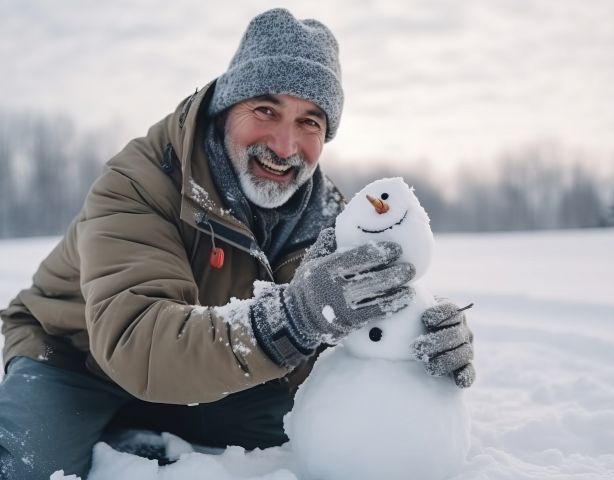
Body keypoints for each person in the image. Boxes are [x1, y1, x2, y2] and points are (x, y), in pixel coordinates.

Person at [0, 8, 475, 479]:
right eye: (266, 110)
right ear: (226, 106)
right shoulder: (139, 181)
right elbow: (133, 339)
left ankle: (145, 421)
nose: (286, 146)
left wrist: (417, 338)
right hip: (74, 353)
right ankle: (105, 418)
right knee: (27, 465)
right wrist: (295, 317)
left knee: (304, 430)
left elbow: (349, 332)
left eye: (310, 121)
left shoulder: (330, 214)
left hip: (202, 359)